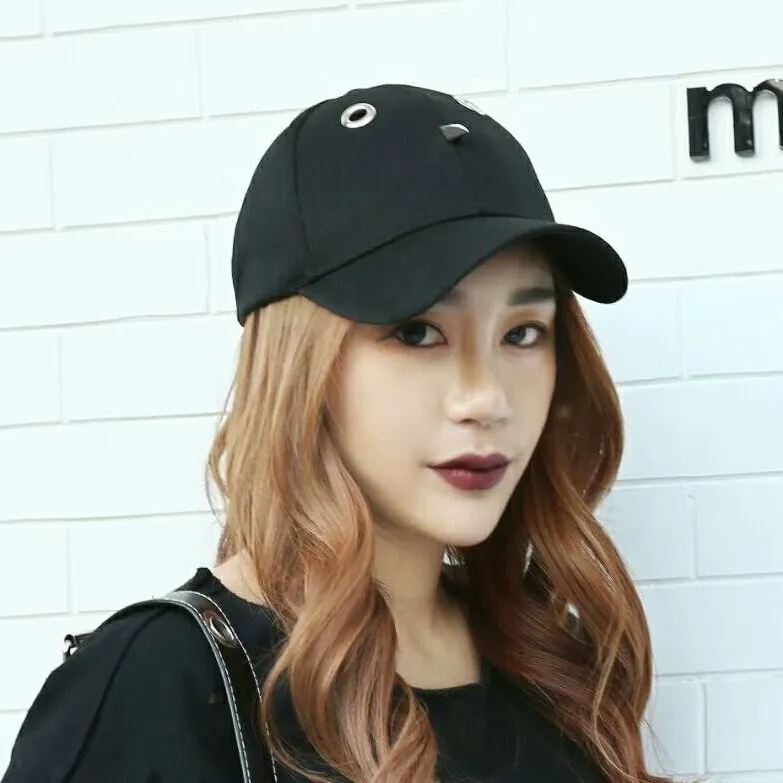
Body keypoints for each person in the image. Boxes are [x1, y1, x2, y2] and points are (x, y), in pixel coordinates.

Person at [1, 84, 707, 783]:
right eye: (417, 332)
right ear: (299, 364)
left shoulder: (545, 657)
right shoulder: (158, 687)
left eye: (522, 332)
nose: (486, 398)